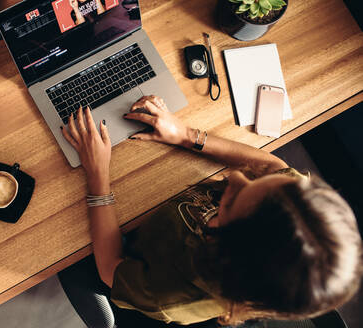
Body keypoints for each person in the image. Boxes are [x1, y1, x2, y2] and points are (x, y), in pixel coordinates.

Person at [60, 95, 363, 326]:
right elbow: (273, 167)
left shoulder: (169, 293)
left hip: (132, 245)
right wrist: (186, 135)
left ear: (220, 244)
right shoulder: (289, 206)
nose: (235, 177)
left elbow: (110, 267)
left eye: (231, 200)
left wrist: (98, 174)